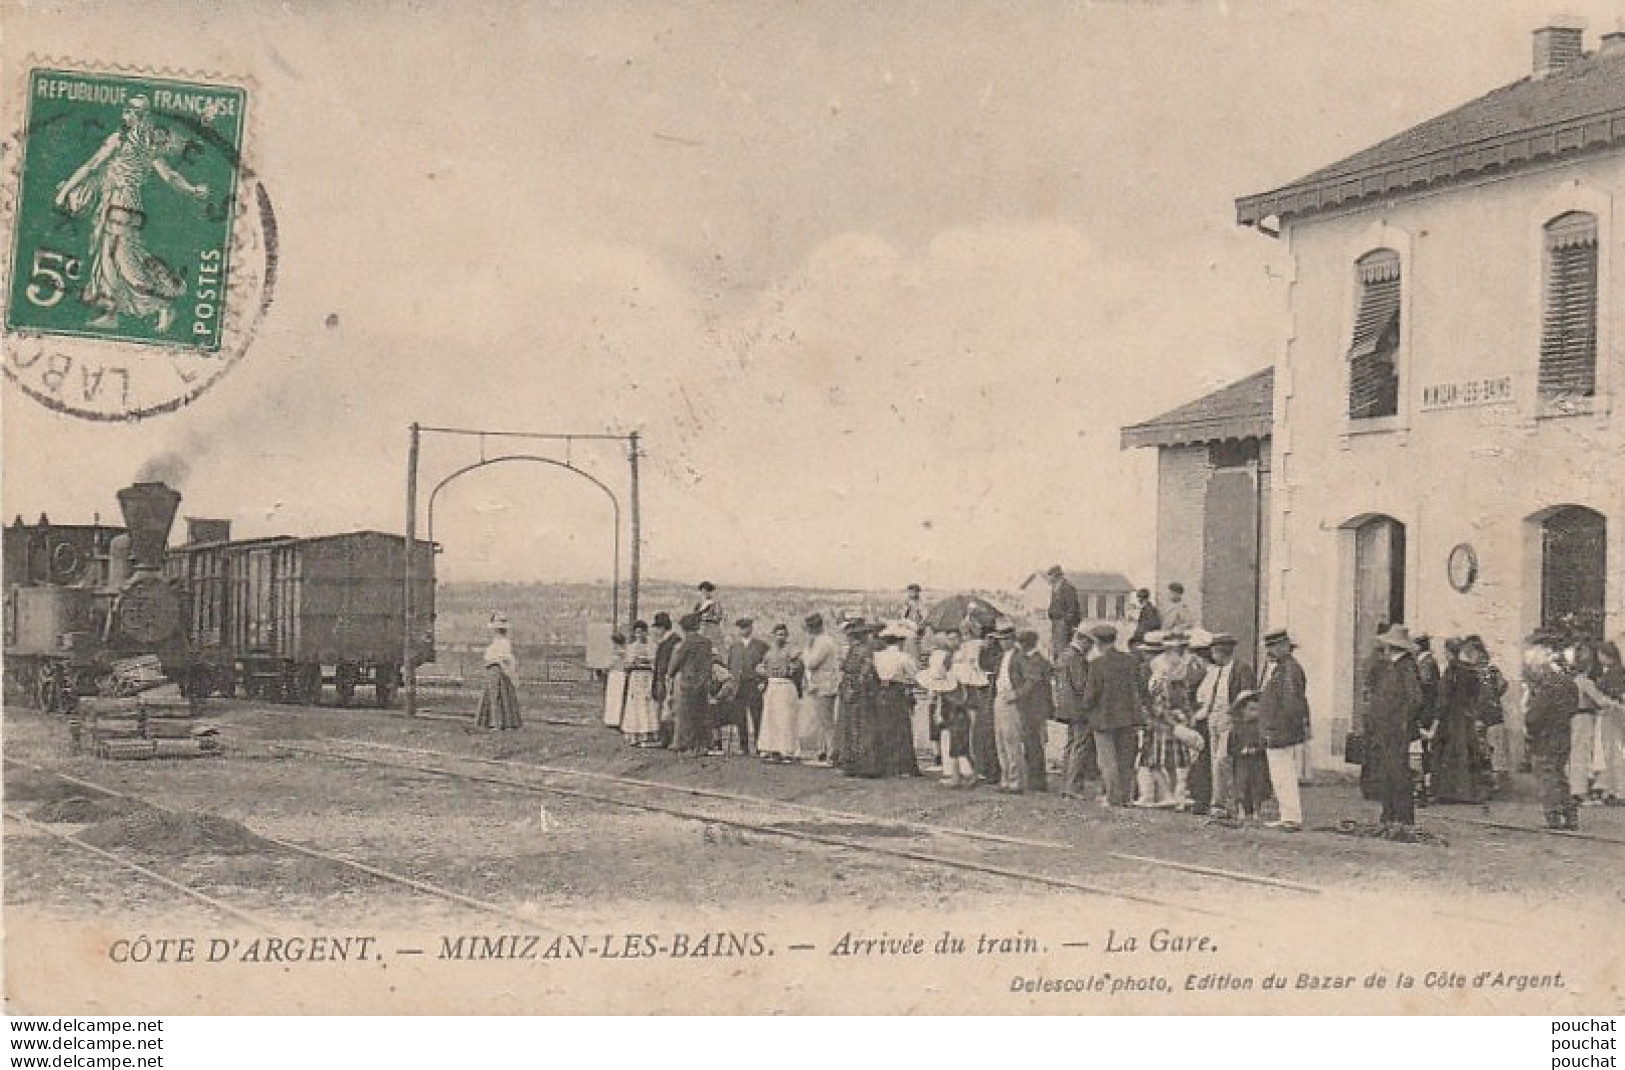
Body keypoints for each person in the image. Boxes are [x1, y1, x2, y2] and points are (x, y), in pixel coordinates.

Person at [53, 95, 210, 333]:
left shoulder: (124, 141)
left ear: (139, 116)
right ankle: (109, 313)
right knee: (108, 260)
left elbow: (92, 165)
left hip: (121, 205)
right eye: (125, 110)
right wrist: (192, 190)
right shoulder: (147, 145)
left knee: (126, 263)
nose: (124, 115)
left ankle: (163, 305)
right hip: (120, 205)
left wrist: (64, 192)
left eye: (129, 111)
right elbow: (170, 176)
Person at [1365, 624, 1424, 837]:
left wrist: (1401, 721)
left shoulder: (1405, 667)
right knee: (1388, 773)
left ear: (1391, 647)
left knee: (1398, 774)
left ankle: (1401, 819)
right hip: (1387, 729)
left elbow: (1415, 699)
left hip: (1396, 730)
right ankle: (1389, 817)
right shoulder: (1394, 667)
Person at [1192, 633, 1256, 818]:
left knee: (1223, 760)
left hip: (1230, 720)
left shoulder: (1241, 669)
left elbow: (1247, 698)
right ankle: (1218, 802)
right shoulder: (1213, 671)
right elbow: (1203, 695)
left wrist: (1237, 718)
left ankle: (1228, 803)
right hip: (1213, 718)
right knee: (1215, 762)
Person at [1081, 624, 1145, 807]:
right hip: (1128, 717)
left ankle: (1113, 798)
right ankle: (1127, 797)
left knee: (1108, 761)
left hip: (1104, 718)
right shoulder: (1131, 661)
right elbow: (1140, 689)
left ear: (1098, 642)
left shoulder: (1096, 665)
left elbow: (1090, 695)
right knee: (1126, 760)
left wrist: (1086, 709)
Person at [1524, 632, 1580, 830]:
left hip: (1546, 736)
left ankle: (1553, 815)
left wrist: (1529, 725)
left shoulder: (1548, 685)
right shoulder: (1568, 682)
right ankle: (1570, 813)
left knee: (1547, 775)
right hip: (1563, 732)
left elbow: (1536, 714)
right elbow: (1574, 705)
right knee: (1558, 774)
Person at [1257, 628, 1310, 832]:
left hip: (1280, 729)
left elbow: (1291, 703)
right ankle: (1287, 814)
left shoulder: (1289, 670)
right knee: (1280, 772)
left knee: (1283, 772)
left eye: (1274, 647)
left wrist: (1280, 726)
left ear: (1284, 647)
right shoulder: (1283, 668)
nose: (1270, 652)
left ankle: (1291, 816)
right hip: (1277, 728)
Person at [1433, 636, 1487, 803]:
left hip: (1451, 718)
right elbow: (1478, 694)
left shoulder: (1451, 672)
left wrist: (1437, 716)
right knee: (1466, 751)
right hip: (1466, 717)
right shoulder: (1469, 670)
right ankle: (1468, 791)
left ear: (1448, 652)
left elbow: (1443, 697)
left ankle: (1450, 792)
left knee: (1450, 752)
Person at [868, 622, 923, 777]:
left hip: (882, 691)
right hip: (897, 691)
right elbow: (915, 675)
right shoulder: (903, 657)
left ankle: (886, 764)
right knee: (901, 728)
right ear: (900, 641)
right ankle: (902, 765)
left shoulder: (877, 656)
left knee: (884, 727)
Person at [919, 639, 974, 788]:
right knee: (955, 744)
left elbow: (958, 700)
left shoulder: (954, 682)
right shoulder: (947, 684)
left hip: (956, 713)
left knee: (958, 744)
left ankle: (960, 776)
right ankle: (959, 774)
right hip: (952, 713)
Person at [955, 619, 999, 786]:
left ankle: (981, 767)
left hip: (975, 688)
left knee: (977, 731)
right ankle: (983, 767)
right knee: (980, 731)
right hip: (978, 688)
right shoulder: (981, 646)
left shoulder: (970, 647)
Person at [1055, 626, 1095, 800]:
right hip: (1079, 708)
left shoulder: (1064, 655)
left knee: (1070, 745)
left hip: (1066, 706)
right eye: (1090, 643)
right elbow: (1081, 684)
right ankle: (1073, 787)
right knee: (1079, 746)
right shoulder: (1077, 658)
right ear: (1083, 640)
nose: (1091, 648)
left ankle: (1066, 785)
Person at [667, 614, 715, 756]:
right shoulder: (707, 642)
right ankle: (703, 746)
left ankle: (689, 747)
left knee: (688, 715)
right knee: (702, 714)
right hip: (703, 682)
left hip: (688, 682)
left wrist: (670, 672)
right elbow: (709, 663)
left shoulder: (686, 643)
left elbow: (674, 665)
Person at [1011, 630, 1053, 792]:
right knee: (1034, 744)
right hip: (1037, 707)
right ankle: (1035, 779)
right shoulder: (1038, 659)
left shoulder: (1033, 661)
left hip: (1033, 708)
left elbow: (1031, 684)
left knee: (1033, 744)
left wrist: (1016, 695)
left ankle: (1037, 781)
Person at [797, 613, 839, 765]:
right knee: (822, 721)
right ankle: (823, 752)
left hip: (824, 685)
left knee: (826, 722)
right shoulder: (821, 640)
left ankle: (832, 754)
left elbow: (811, 663)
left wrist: (804, 652)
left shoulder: (823, 642)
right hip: (821, 685)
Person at [756, 624, 802, 762]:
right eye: (778, 634)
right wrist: (762, 673)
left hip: (786, 686)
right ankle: (771, 748)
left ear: (787, 636)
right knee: (771, 717)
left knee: (785, 718)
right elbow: (761, 667)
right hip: (772, 686)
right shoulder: (769, 653)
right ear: (773, 635)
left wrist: (790, 669)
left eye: (783, 634)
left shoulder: (792, 651)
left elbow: (797, 667)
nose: (780, 637)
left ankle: (787, 750)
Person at [991, 625, 1028, 793]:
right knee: (1000, 740)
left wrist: (1016, 694)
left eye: (1005, 640)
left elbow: (1031, 681)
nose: (1001, 643)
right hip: (999, 698)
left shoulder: (1020, 657)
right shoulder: (1000, 657)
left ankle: (1016, 780)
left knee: (1011, 740)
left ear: (1012, 640)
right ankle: (1005, 777)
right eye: (1000, 640)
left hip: (1011, 701)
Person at [725, 618, 768, 755]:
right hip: (739, 685)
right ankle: (743, 746)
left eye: (746, 627)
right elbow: (730, 666)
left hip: (753, 684)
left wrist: (763, 681)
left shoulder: (761, 646)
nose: (743, 630)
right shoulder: (734, 647)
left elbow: (766, 665)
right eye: (741, 628)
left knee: (757, 715)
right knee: (739, 716)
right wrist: (731, 683)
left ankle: (759, 745)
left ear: (751, 628)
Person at [1227, 691, 1270, 824]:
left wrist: (1256, 749)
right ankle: (1241, 810)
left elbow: (1264, 744)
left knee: (1257, 786)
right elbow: (1231, 747)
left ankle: (1257, 811)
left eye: (1257, 710)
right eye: (1251, 709)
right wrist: (1239, 751)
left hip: (1257, 762)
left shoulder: (1260, 728)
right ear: (1242, 710)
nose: (1255, 713)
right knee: (1241, 785)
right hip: (1241, 763)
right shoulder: (1236, 729)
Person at [475, 612, 522, 731]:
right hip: (493, 670)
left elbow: (504, 658)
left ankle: (498, 723)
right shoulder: (498, 642)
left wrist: (508, 670)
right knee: (495, 696)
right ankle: (496, 722)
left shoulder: (503, 642)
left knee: (498, 696)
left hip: (497, 670)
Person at [1591, 642, 1625, 805]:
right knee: (1613, 751)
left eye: (1601, 654)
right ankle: (1613, 788)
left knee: (1613, 751)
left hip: (1613, 714)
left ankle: (1618, 790)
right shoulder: (1617, 671)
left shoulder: (1613, 674)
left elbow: (1610, 694)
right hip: (1615, 713)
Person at [620, 621, 661, 746]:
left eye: (642, 632)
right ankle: (634, 733)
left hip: (647, 677)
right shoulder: (631, 647)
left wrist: (647, 662)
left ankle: (648, 733)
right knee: (635, 704)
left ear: (645, 632)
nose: (639, 635)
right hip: (635, 677)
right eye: (637, 632)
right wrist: (632, 664)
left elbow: (655, 663)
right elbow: (627, 665)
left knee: (648, 703)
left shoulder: (652, 646)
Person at [650, 612, 681, 748]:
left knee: (668, 709)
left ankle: (667, 739)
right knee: (663, 708)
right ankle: (664, 738)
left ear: (663, 628)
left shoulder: (673, 641)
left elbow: (670, 664)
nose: (656, 631)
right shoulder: (665, 641)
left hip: (668, 679)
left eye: (657, 628)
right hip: (662, 679)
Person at [1045, 566, 1082, 661]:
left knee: (1062, 650)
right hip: (1056, 623)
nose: (1048, 579)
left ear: (1056, 576)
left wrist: (1065, 623)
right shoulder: (1055, 588)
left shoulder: (1068, 588)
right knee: (1055, 650)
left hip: (1064, 625)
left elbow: (1072, 608)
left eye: (1050, 576)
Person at [602, 632, 628, 730]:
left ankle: (615, 719)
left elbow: (611, 663)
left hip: (618, 675)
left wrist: (607, 668)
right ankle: (612, 719)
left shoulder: (621, 652)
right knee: (613, 697)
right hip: (614, 675)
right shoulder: (619, 651)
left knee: (616, 697)